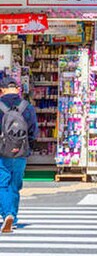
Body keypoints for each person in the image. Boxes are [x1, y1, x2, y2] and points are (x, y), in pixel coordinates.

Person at [0, 77, 37, 233]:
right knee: (15, 185)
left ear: (1, 90)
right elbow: (33, 131)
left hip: (2, 152)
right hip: (21, 151)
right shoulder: (26, 107)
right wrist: (27, 149)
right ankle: (13, 217)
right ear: (17, 89)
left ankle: (8, 214)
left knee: (3, 184)